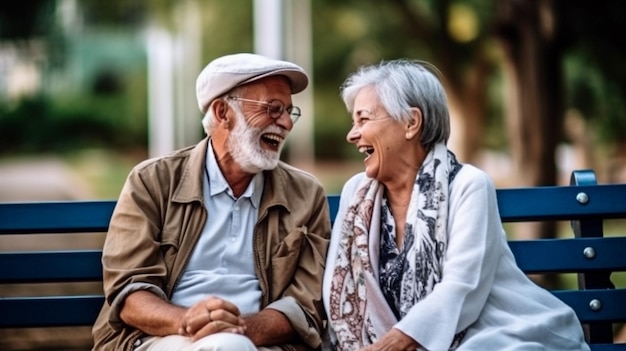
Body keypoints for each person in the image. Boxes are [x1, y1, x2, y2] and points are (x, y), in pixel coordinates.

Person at [322, 59, 590, 351]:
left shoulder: (467, 185)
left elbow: (463, 287)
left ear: (411, 122)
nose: (352, 134)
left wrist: (390, 346)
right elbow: (336, 286)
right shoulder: (355, 193)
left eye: (363, 119)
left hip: (494, 334)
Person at [91, 53, 331, 351]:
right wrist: (189, 321)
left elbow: (307, 302)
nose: (285, 123)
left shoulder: (306, 194)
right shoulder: (152, 182)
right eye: (273, 108)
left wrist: (239, 329)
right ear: (222, 113)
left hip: (261, 343)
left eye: (289, 112)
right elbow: (129, 294)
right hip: (161, 338)